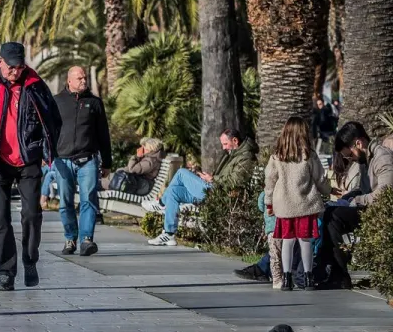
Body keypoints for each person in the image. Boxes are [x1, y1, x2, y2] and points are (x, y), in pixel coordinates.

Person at [0, 42, 59, 291]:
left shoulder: (35, 86)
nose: (14, 71)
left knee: (31, 214)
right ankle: (6, 272)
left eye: (18, 67)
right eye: (10, 66)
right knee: (0, 219)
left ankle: (29, 260)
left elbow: (53, 120)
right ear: (0, 62)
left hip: (28, 160)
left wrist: (43, 146)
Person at [145, 128, 257, 247]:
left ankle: (161, 203)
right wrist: (209, 177)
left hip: (217, 193)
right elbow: (225, 177)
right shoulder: (234, 155)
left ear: (235, 140)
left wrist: (212, 179)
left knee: (182, 172)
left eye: (225, 144)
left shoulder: (246, 157)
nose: (224, 147)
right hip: (213, 188)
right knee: (173, 191)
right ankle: (169, 234)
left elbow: (235, 181)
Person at [317, 122, 393, 289]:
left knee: (334, 216)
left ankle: (339, 275)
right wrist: (351, 196)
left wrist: (357, 201)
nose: (350, 159)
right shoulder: (368, 159)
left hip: (380, 213)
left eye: (349, 155)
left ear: (358, 143)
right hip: (371, 209)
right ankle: (323, 268)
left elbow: (386, 193)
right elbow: (366, 189)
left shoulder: (382, 157)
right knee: (329, 211)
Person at [265, 117, 331, 291]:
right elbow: (320, 178)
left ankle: (286, 279)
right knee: (305, 241)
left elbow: (270, 180)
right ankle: (308, 278)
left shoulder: (277, 156)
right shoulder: (309, 155)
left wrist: (269, 203)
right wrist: (328, 191)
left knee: (287, 240)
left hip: (284, 206)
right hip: (305, 204)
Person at [52, 66, 112, 257]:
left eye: (84, 78)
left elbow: (103, 133)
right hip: (62, 161)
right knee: (65, 203)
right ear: (69, 80)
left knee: (89, 200)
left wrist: (107, 162)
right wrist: (48, 155)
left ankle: (87, 240)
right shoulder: (57, 102)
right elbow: (49, 132)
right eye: (79, 78)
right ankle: (70, 238)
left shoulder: (94, 103)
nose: (83, 81)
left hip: (88, 160)